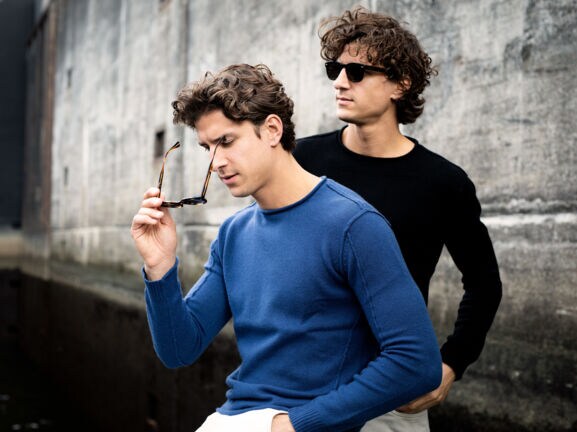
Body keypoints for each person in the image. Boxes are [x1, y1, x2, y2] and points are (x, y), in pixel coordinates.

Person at [131, 63, 441, 432]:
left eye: (226, 142)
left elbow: (416, 363)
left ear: (272, 130)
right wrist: (160, 267)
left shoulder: (354, 224)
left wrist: (292, 425)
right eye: (207, 148)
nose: (215, 163)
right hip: (235, 418)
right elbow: (179, 349)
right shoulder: (233, 233)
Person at [293, 6, 503, 431]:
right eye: (335, 69)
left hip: (390, 389)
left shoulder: (443, 182)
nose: (339, 82)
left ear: (400, 84)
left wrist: (451, 364)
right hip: (300, 381)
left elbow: (484, 284)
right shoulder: (302, 160)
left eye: (357, 72)